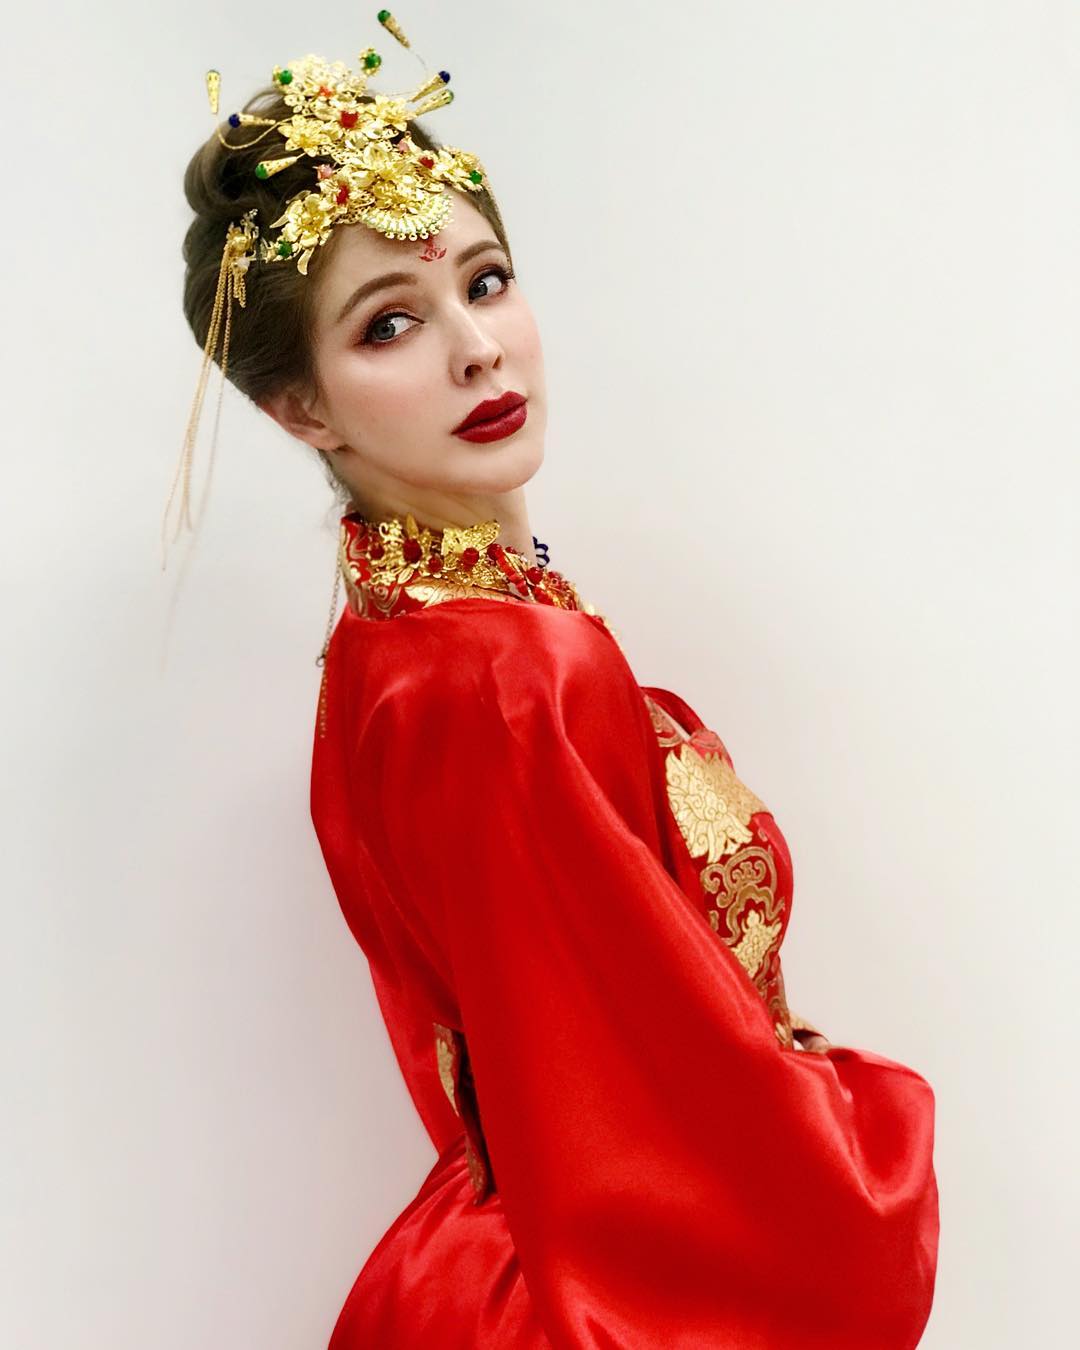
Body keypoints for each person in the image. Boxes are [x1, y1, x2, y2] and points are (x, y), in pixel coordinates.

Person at [171, 16, 939, 1348]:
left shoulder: (399, 634)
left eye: (486, 281)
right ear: (301, 408)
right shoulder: (505, 671)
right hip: (591, 1290)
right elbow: (640, 1099)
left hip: (491, 1260)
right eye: (390, 323)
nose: (477, 348)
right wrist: (852, 1129)